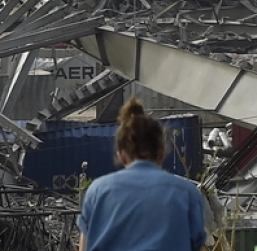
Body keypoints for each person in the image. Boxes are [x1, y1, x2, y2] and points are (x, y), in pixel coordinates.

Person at [77, 98, 206, 251]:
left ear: (121, 156)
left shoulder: (97, 192)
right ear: (162, 153)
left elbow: (84, 247)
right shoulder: (187, 193)